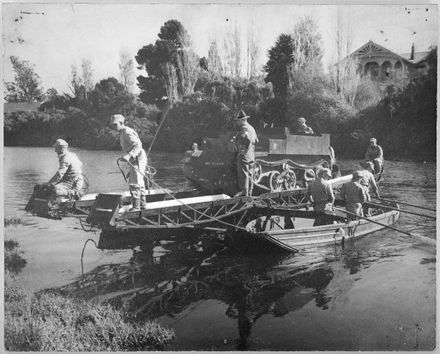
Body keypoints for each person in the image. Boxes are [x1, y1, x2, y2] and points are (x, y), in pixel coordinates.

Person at [109, 114, 148, 211]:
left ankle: (136, 207)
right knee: (138, 181)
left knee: (135, 182)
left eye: (115, 125)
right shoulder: (122, 132)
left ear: (121, 123)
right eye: (112, 125)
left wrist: (129, 155)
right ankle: (142, 204)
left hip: (138, 157)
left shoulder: (127, 132)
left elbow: (138, 145)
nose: (114, 127)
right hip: (134, 158)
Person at [233, 110, 259, 197]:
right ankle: (249, 192)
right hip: (251, 154)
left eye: (238, 121)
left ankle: (244, 192)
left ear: (243, 120)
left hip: (244, 154)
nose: (237, 122)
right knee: (250, 172)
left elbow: (246, 139)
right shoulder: (252, 128)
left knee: (243, 173)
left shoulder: (244, 128)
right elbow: (256, 140)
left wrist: (242, 149)